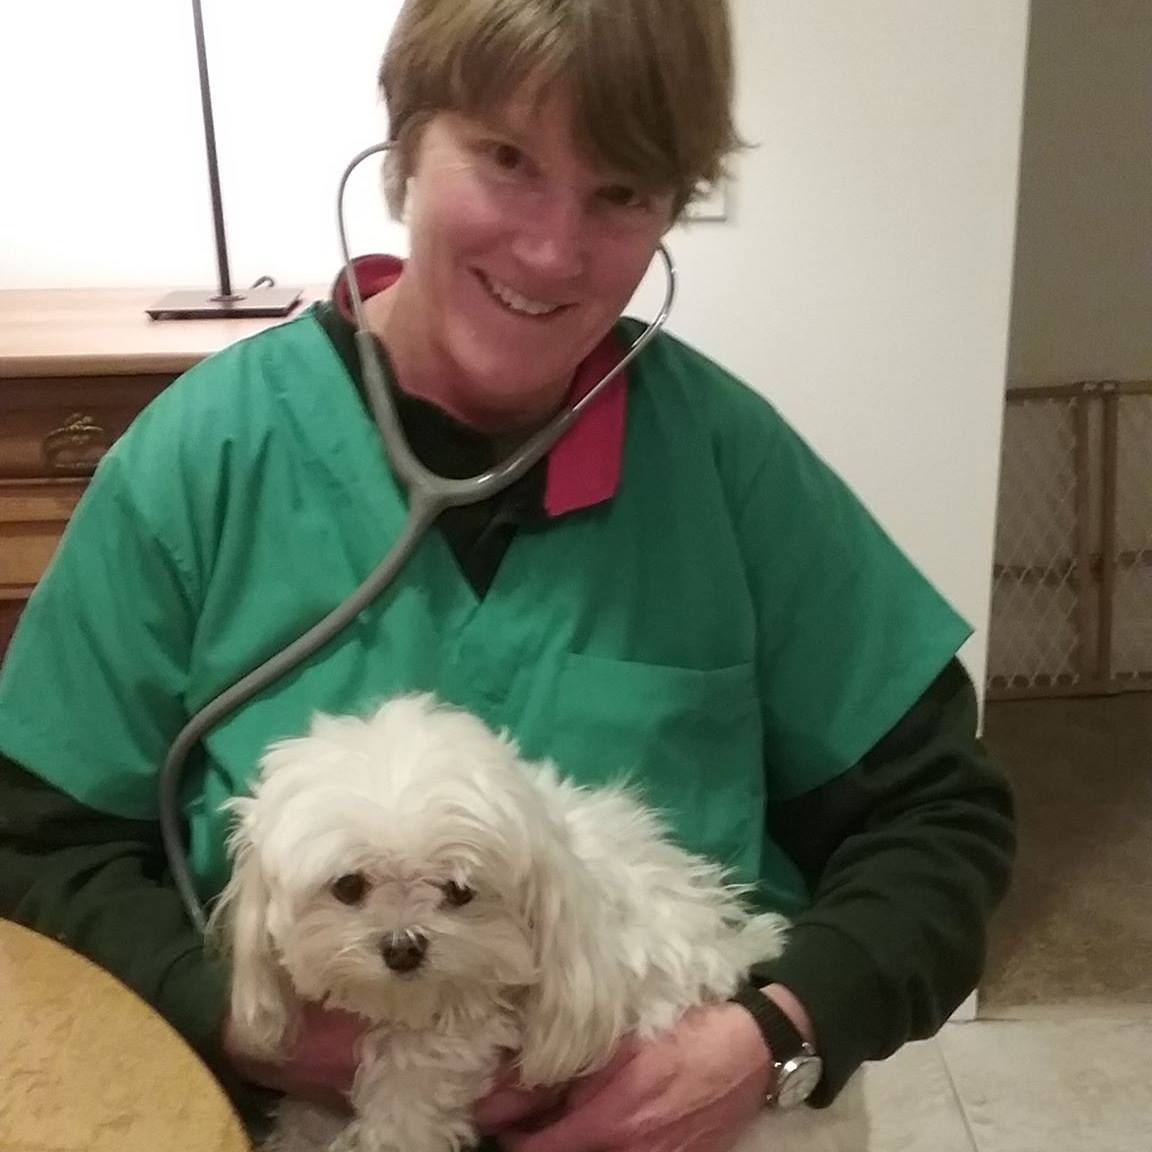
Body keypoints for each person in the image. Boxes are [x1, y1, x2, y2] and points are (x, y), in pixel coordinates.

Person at [0, 1, 1015, 1149]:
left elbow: (942, 822)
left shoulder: (728, 465)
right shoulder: (205, 460)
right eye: (505, 159)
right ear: (402, 151)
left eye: (621, 193)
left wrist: (771, 1038)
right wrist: (245, 1020)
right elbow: (35, 841)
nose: (551, 251)